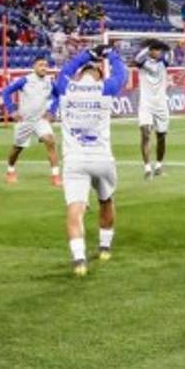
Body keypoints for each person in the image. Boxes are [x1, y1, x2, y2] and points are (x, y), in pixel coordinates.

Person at [55, 44, 128, 275]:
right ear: (97, 74)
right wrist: (110, 54)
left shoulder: (66, 88)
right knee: (106, 200)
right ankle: (105, 247)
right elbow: (122, 75)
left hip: (74, 159)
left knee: (74, 209)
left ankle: (79, 260)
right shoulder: (104, 89)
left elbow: (65, 70)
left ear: (80, 74)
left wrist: (87, 54)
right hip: (101, 158)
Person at [2, 55, 60, 187]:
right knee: (17, 148)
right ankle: (10, 170)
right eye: (40, 65)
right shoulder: (25, 80)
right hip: (25, 121)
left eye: (45, 65)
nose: (43, 67)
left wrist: (52, 111)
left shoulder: (50, 82)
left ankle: (55, 176)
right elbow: (6, 92)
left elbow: (59, 96)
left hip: (40, 120)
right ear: (34, 67)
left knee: (50, 141)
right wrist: (12, 110)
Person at [135, 40, 171, 180]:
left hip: (161, 104)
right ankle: (147, 168)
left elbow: (170, 54)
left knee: (161, 136)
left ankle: (159, 166)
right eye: (155, 50)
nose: (158, 52)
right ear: (150, 51)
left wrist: (165, 46)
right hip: (146, 104)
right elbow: (138, 58)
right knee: (145, 133)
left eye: (159, 50)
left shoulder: (163, 64)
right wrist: (148, 47)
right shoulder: (143, 63)